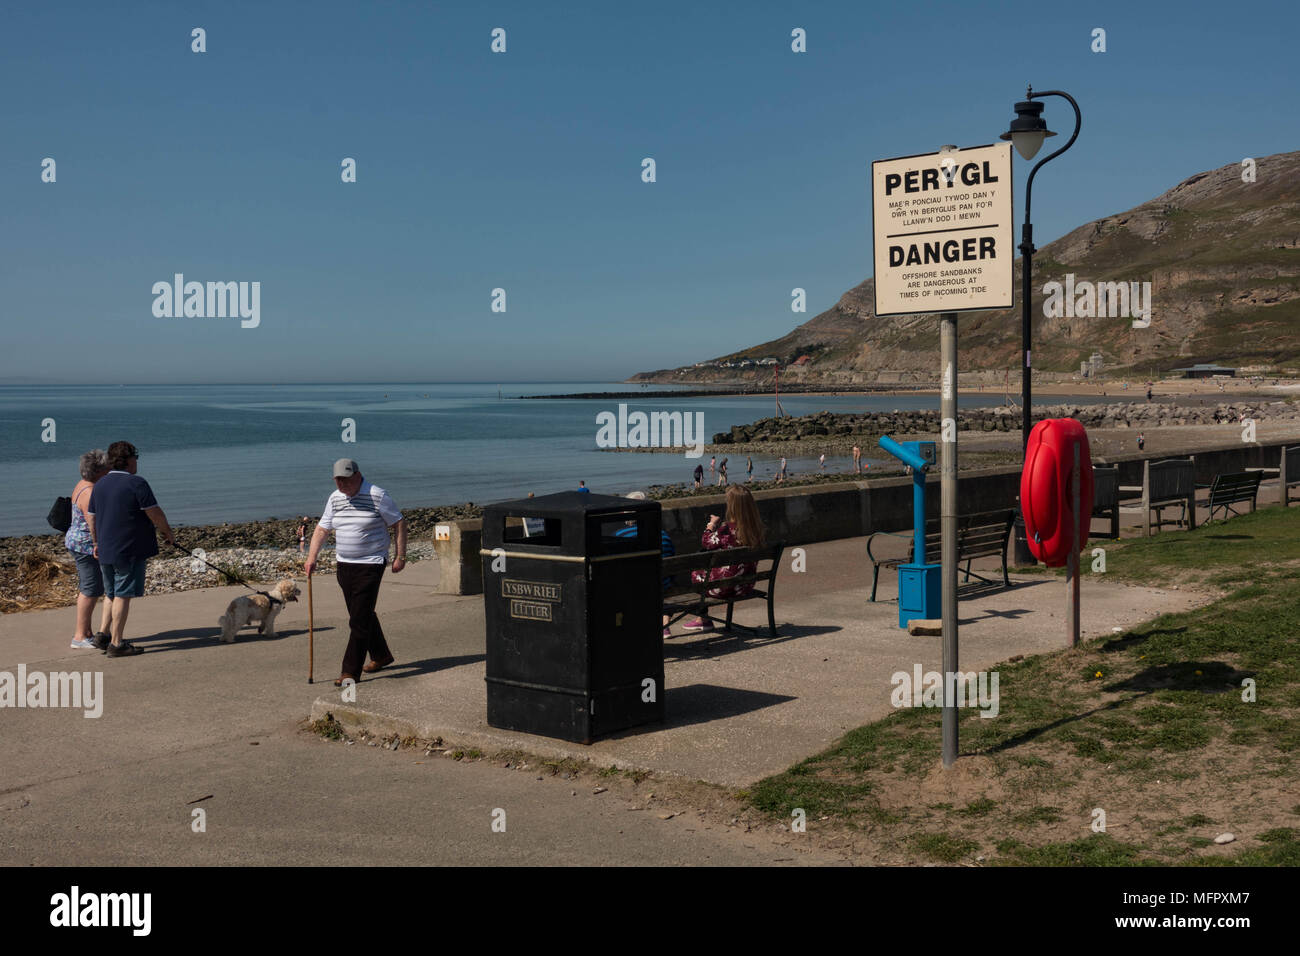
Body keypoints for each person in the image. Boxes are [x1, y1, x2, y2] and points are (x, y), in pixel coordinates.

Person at [304, 459, 406, 686]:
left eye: (346, 480)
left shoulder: (377, 495)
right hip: (344, 564)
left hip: (371, 563)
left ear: (358, 475)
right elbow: (322, 528)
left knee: (358, 620)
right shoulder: (335, 498)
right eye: (338, 480)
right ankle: (381, 655)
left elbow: (398, 522)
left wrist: (401, 556)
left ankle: (350, 672)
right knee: (362, 613)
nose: (342, 484)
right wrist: (312, 558)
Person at [85, 441, 176, 657]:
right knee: (123, 594)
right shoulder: (137, 483)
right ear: (128, 460)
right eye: (135, 458)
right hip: (129, 548)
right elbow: (155, 513)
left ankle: (103, 634)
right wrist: (168, 533)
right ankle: (116, 644)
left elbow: (92, 517)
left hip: (106, 548)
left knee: (111, 592)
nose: (137, 463)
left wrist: (95, 543)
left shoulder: (100, 485)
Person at [683, 486, 766, 632]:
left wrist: (711, 525)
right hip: (744, 586)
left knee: (695, 574)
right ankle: (702, 619)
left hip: (724, 588)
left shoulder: (726, 530)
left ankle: (703, 618)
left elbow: (707, 542)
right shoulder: (757, 529)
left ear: (732, 506)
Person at [65, 449, 112, 649]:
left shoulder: (82, 485)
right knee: (90, 589)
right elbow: (92, 521)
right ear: (98, 471)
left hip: (77, 541)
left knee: (91, 587)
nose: (109, 472)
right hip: (84, 545)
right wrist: (97, 544)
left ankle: (87, 632)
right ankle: (79, 636)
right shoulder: (90, 491)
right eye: (106, 469)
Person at [616, 492, 676, 637]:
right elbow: (673, 563)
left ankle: (620, 631)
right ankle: (664, 624)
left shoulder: (620, 535)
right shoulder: (664, 536)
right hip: (662, 587)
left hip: (635, 591)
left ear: (626, 513)